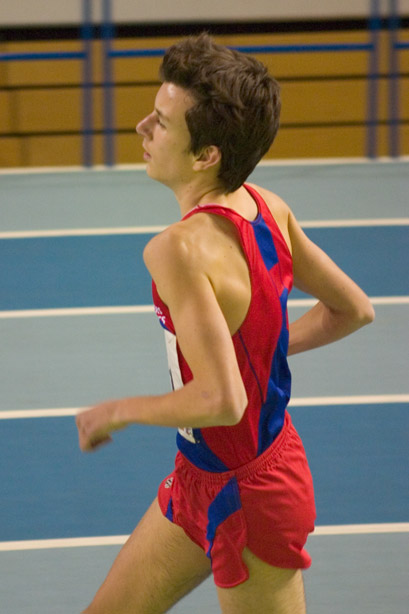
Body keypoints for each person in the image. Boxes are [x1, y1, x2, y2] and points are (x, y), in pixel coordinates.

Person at [75, 33, 375, 614]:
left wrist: (116, 411)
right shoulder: (268, 207)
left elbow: (221, 399)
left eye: (161, 122)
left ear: (205, 155)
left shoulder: (177, 249)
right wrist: (259, 351)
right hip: (201, 475)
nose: (142, 127)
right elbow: (353, 309)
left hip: (253, 498)